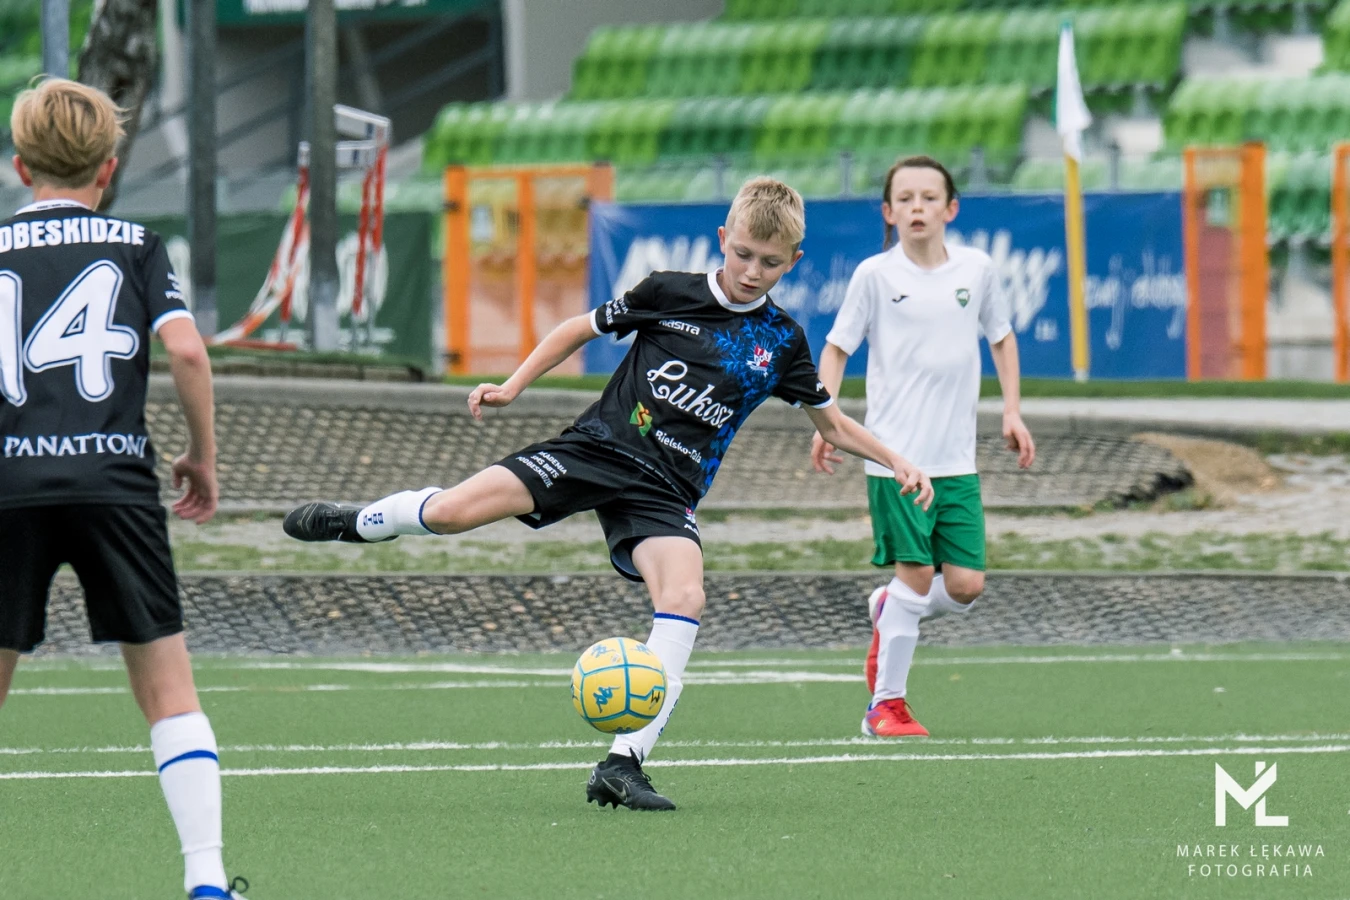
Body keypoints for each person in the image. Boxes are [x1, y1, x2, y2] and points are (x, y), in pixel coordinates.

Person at [284, 177, 934, 810]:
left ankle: (623, 764)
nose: (751, 271)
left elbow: (832, 423)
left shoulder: (783, 341)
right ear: (723, 238)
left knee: (685, 597)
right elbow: (578, 328)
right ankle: (359, 520)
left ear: (793, 261)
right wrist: (513, 386)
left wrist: (896, 459)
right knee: (453, 513)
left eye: (770, 262)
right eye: (742, 253)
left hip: (666, 492)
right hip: (595, 450)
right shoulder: (669, 291)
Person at [0, 79, 247, 900]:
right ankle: (206, 878)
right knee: (169, 691)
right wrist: (202, 456)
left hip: (8, 482)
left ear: (19, 165)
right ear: (109, 168)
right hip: (114, 480)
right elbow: (187, 352)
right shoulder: (136, 244)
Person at [811, 156, 1035, 738]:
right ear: (888, 211)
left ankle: (891, 608)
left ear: (950, 208)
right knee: (914, 578)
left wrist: (1012, 410)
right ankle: (885, 706)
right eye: (905, 198)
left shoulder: (977, 269)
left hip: (956, 461)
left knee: (965, 586)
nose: (917, 207)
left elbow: (1002, 337)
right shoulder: (874, 275)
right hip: (897, 461)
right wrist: (825, 417)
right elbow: (836, 348)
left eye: (929, 197)